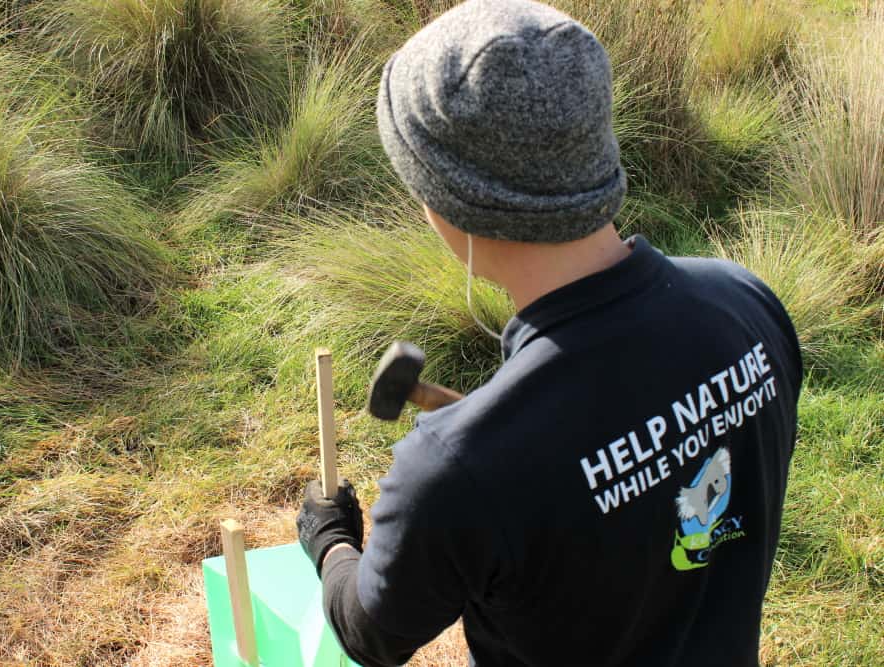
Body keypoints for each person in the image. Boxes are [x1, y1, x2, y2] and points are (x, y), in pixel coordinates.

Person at [295, 1, 803, 665]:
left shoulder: (453, 472)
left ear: (451, 202)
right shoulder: (746, 306)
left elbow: (371, 633)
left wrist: (331, 541)